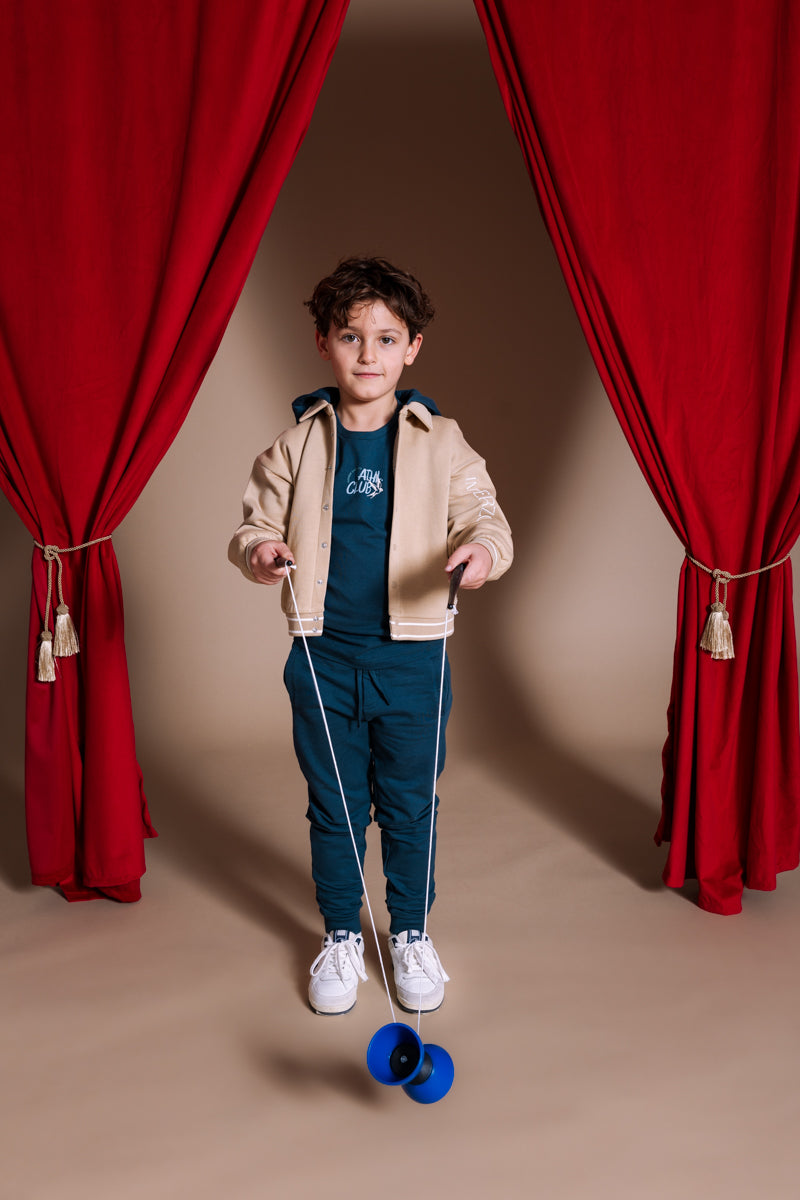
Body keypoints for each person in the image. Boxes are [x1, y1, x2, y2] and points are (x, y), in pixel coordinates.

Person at [228, 256, 513, 1015]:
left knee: (411, 805)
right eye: (351, 336)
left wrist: (481, 553)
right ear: (323, 342)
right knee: (335, 806)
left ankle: (410, 931)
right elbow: (252, 526)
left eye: (387, 339)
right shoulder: (296, 444)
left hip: (416, 662)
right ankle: (340, 936)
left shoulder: (442, 440)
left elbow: (486, 519)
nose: (368, 355)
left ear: (412, 348)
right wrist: (262, 551)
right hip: (323, 658)